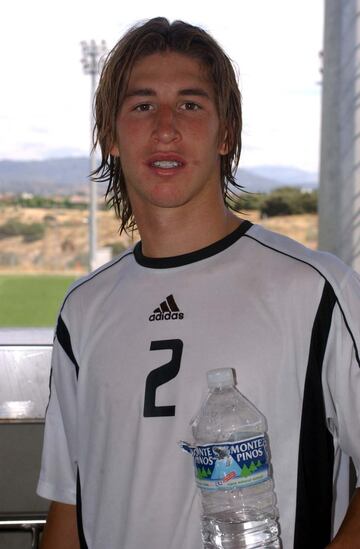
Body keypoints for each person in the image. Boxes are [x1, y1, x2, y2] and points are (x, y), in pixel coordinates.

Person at [37, 17, 360, 549]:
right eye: (142, 106)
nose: (166, 127)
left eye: (190, 104)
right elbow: (69, 506)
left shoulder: (315, 288)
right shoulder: (84, 308)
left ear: (226, 133)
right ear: (110, 137)